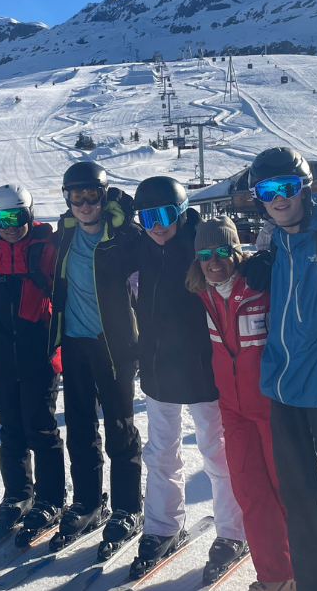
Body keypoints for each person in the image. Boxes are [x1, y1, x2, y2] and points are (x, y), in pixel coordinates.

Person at [243, 147, 317, 591]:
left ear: (304, 188)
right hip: (284, 391)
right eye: (267, 190)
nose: (278, 198)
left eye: (287, 187)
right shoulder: (274, 240)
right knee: (300, 503)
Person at [131, 176, 247, 580]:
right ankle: (163, 525)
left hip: (203, 367)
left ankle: (233, 531)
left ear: (181, 212)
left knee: (216, 451)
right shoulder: (139, 249)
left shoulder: (199, 245)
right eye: (147, 217)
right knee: (161, 451)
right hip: (159, 366)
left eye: (165, 214)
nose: (157, 224)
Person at [187, 217, 293, 590]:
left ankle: (304, 572)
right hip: (234, 411)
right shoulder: (203, 293)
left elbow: (296, 253)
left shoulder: (263, 284)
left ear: (236, 252)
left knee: (288, 494)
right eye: (204, 254)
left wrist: (270, 257)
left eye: (221, 252)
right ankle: (275, 578)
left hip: (274, 408)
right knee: (251, 494)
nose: (213, 262)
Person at [48, 161, 143, 557]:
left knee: (120, 428)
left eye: (92, 196)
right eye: (76, 196)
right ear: (67, 198)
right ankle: (88, 502)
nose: (84, 204)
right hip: (74, 343)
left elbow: (158, 265)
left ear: (104, 197)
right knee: (81, 428)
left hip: (113, 346)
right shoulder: (64, 235)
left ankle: (127, 508)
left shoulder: (125, 238)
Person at [0, 185, 65, 541]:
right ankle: (18, 495)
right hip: (2, 356)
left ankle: (51, 497)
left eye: (18, 217)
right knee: (11, 430)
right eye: (3, 219)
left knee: (41, 428)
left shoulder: (46, 250)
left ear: (30, 214)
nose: (11, 225)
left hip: (39, 354)